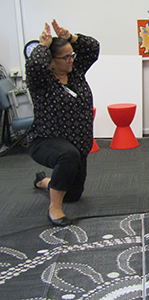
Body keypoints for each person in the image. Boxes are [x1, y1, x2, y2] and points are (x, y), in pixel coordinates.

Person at [25, 19, 100, 226]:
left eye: (72, 55)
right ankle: (54, 209)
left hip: (77, 144)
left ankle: (44, 182)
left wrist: (70, 37)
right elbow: (34, 64)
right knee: (67, 155)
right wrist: (43, 45)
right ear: (51, 60)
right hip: (45, 140)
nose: (71, 60)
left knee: (73, 194)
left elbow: (93, 47)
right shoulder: (41, 81)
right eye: (65, 57)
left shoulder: (75, 73)